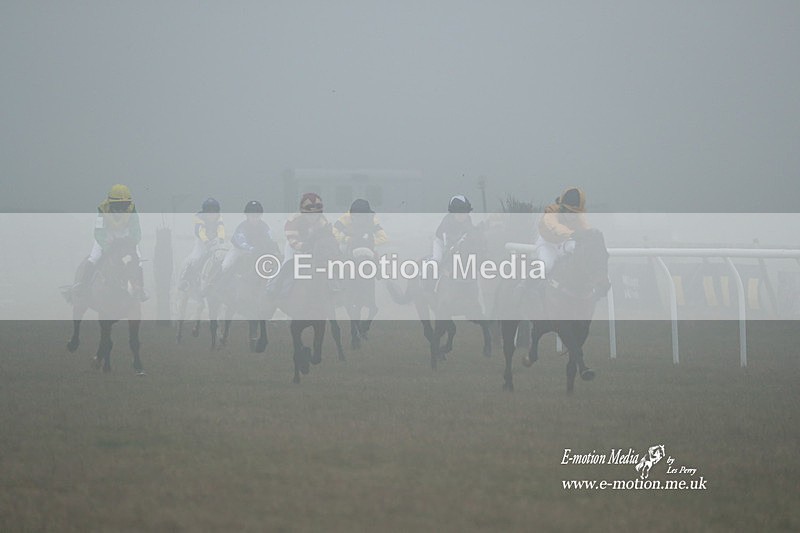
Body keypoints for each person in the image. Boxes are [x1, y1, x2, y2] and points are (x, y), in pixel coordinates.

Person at [70, 184, 147, 301]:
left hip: (126, 238)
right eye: (118, 204)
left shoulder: (132, 211)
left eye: (124, 204)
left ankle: (140, 289)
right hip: (106, 237)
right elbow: (99, 232)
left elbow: (136, 232)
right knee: (94, 257)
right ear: (111, 203)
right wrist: (107, 247)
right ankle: (83, 286)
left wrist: (130, 243)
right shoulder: (103, 211)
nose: (121, 207)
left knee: (139, 260)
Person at [535, 186, 591, 272]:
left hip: (565, 242)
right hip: (547, 244)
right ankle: (527, 283)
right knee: (547, 265)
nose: (574, 215)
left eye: (576, 213)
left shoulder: (579, 217)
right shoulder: (551, 213)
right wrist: (573, 233)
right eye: (571, 211)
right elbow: (555, 227)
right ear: (563, 208)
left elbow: (587, 230)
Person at [220, 200, 277, 276]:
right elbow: (241, 243)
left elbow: (269, 239)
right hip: (239, 250)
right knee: (225, 265)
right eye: (252, 216)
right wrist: (252, 249)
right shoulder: (242, 227)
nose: (255, 218)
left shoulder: (264, 227)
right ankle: (220, 284)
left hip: (257, 251)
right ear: (247, 215)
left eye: (257, 216)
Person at [179, 197, 225, 290]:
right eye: (209, 213)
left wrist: (221, 239)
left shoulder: (219, 219)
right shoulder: (199, 220)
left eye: (214, 213)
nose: (212, 216)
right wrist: (206, 241)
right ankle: (185, 280)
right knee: (194, 259)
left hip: (215, 243)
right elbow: (201, 232)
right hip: (201, 244)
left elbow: (221, 229)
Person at [283, 192, 329, 261]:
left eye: (316, 214)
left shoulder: (323, 221)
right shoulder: (293, 220)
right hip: (294, 248)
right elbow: (293, 242)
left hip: (314, 248)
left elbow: (327, 237)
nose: (313, 217)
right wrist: (307, 246)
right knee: (288, 261)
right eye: (310, 214)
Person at [432, 195, 475, 263]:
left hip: (457, 245)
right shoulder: (447, 222)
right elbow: (448, 244)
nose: (462, 215)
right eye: (459, 213)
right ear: (453, 213)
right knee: (437, 260)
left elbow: (472, 233)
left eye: (465, 212)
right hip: (442, 243)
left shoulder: (468, 221)